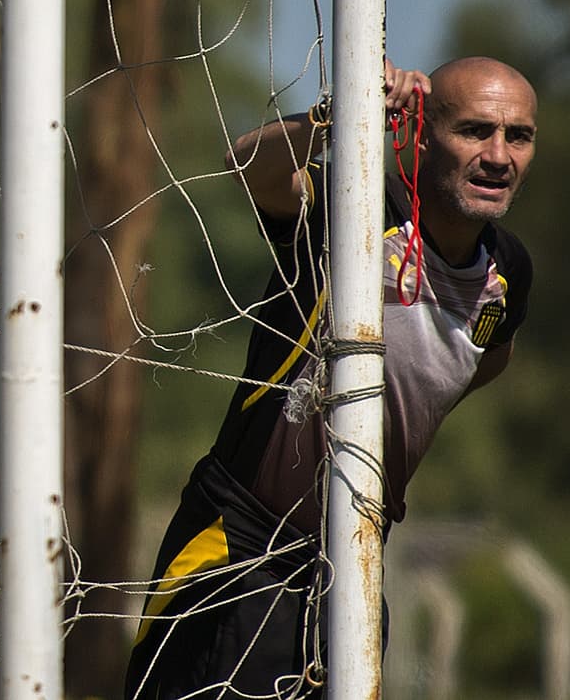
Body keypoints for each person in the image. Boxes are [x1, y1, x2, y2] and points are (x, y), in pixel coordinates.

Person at [124, 57, 538, 699]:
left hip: (355, 558)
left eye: (518, 136)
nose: (498, 155)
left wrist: (410, 402)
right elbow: (249, 166)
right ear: (423, 135)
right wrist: (339, 112)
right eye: (475, 131)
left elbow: (491, 354)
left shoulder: (506, 271)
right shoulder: (357, 209)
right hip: (243, 545)